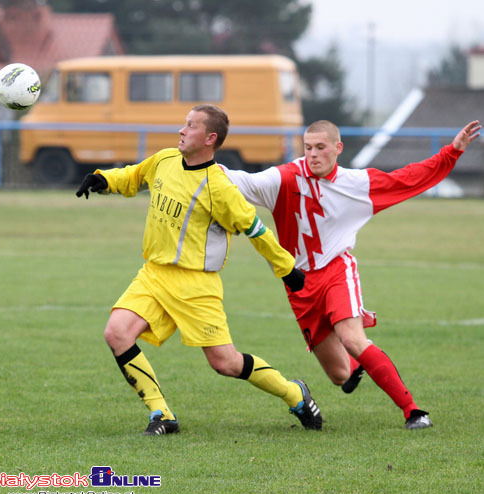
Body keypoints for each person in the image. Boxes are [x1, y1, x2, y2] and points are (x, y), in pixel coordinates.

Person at [75, 103, 322, 436]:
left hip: (196, 285)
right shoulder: (164, 160)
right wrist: (103, 179)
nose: (181, 130)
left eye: (191, 126)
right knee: (116, 333)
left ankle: (295, 393)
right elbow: (134, 175)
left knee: (226, 363)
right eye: (184, 124)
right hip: (154, 274)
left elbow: (255, 230)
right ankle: (161, 414)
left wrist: (286, 268)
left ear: (210, 138)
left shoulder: (219, 188)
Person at [220, 119, 481, 430]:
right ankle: (356, 367)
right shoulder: (283, 178)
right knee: (339, 376)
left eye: (320, 147)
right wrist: (195, 163)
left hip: (336, 271)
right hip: (299, 283)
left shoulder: (356, 183)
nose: (313, 154)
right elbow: (234, 180)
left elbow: (407, 178)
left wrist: (451, 152)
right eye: (308, 148)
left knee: (352, 338)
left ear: (338, 148)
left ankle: (413, 411)